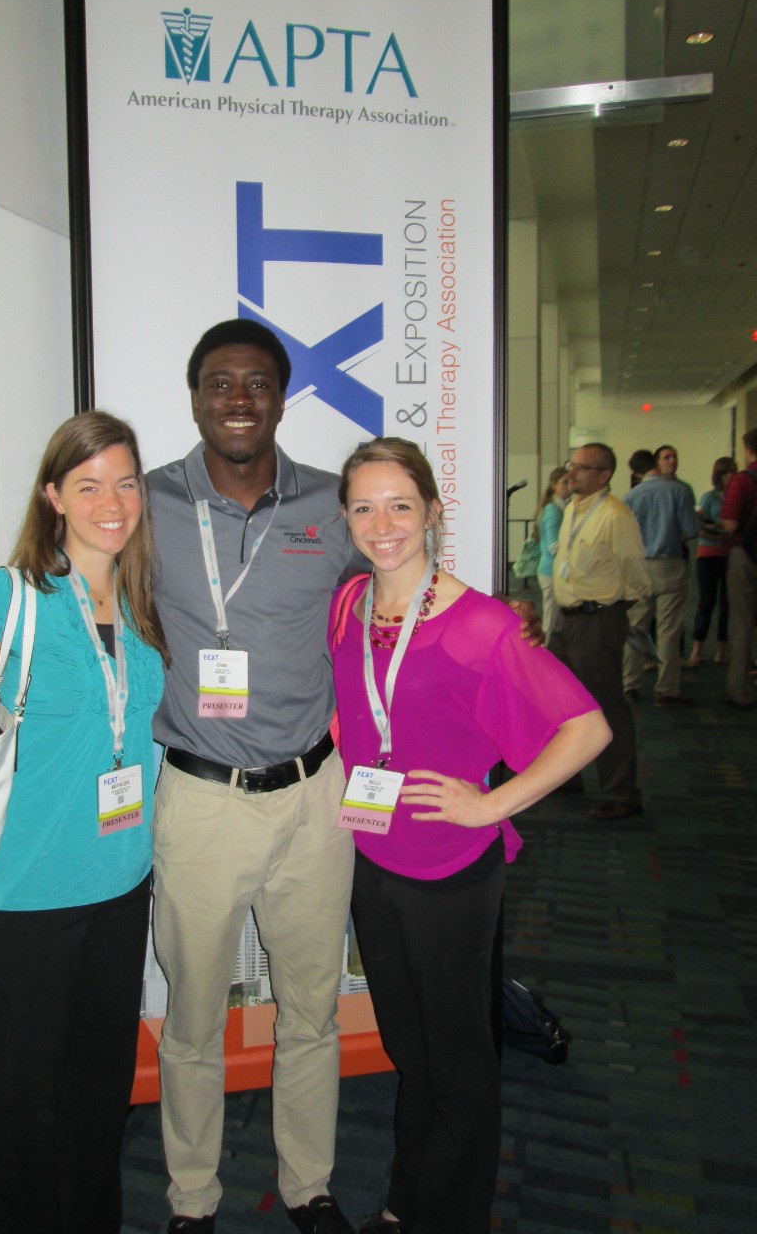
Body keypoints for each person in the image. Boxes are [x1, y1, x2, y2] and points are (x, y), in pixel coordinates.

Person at [0, 320, 543, 1234]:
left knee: (310, 1012)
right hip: (196, 801)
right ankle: (193, 1198)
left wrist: (501, 619)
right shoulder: (147, 503)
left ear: (284, 398)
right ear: (196, 397)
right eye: (220, 383)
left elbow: (401, 570)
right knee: (192, 1023)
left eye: (257, 383)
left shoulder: (333, 507)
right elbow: (65, 571)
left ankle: (307, 1184)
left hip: (313, 803)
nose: (240, 399)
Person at [0, 412, 168, 1234]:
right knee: (18, 1114)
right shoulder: (5, 598)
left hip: (122, 890)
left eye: (124, 482)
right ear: (53, 497)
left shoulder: (149, 605)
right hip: (28, 900)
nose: (110, 502)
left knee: (97, 1101)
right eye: (87, 485)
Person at [328, 437, 609, 1234]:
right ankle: (408, 1196)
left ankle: (450, 1215)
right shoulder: (349, 604)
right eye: (364, 506)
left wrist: (494, 805)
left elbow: (585, 731)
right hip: (372, 852)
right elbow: (353, 709)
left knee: (457, 1057)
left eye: (400, 505)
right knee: (409, 1044)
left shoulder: (481, 622)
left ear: (432, 514)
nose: (382, 524)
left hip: (451, 867)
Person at [550, 443, 651, 821]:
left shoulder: (615, 515)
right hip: (566, 618)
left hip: (598, 620)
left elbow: (636, 575)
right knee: (560, 703)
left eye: (581, 468)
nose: (571, 473)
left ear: (603, 475)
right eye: (570, 465)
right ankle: (566, 774)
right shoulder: (574, 509)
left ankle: (623, 792)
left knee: (605, 707)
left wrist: (623, 616)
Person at [622, 445, 699, 703]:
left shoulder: (631, 496)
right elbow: (691, 529)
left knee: (635, 627)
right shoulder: (679, 491)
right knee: (669, 629)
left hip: (640, 565)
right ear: (657, 462)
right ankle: (666, 689)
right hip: (670, 564)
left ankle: (629, 683)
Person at [719, 427, 757, 708]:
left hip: (746, 555)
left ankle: (738, 689)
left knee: (742, 623)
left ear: (748, 450)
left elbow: (730, 525)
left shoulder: (742, 481)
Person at [686, 456, 737, 667]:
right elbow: (701, 525)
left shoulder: (736, 497)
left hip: (729, 554)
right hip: (708, 553)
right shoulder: (709, 497)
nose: (730, 476)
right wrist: (722, 532)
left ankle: (720, 650)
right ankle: (697, 648)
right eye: (726, 472)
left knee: (728, 604)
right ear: (718, 475)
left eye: (732, 471)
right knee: (706, 602)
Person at [534, 466, 573, 639]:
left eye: (570, 481)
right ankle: (544, 655)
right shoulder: (553, 510)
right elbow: (553, 546)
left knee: (557, 620)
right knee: (551, 620)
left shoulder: (561, 507)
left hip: (555, 570)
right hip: (551, 571)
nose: (569, 486)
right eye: (565, 482)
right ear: (554, 486)